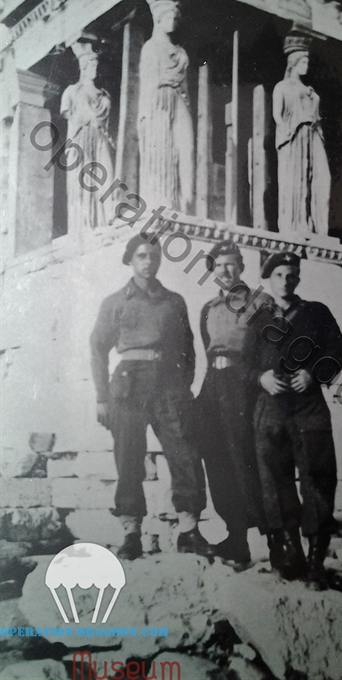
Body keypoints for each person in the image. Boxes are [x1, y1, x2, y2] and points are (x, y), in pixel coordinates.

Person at [90, 235, 212, 560]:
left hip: (169, 384)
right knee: (129, 457)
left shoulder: (174, 302)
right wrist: (102, 396)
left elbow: (189, 348)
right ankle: (131, 534)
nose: (148, 262)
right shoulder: (115, 302)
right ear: (131, 260)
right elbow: (98, 348)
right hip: (128, 384)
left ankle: (189, 530)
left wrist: (183, 388)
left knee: (185, 453)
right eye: (142, 256)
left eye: (153, 256)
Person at [252, 252, 342, 589]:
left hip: (309, 407)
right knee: (276, 482)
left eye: (291, 275)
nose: (285, 281)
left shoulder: (316, 313)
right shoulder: (257, 318)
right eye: (278, 275)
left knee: (317, 479)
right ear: (269, 279)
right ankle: (292, 553)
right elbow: (243, 362)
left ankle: (316, 563)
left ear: (298, 279)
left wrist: (313, 373)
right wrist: (260, 377)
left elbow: (338, 352)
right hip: (271, 408)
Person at [196, 241, 266, 564]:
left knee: (244, 457)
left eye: (232, 264)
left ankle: (263, 537)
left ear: (242, 267)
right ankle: (233, 535)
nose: (226, 270)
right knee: (215, 456)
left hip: (243, 383)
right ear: (213, 271)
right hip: (214, 384)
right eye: (219, 265)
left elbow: (267, 350)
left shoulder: (260, 304)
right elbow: (208, 347)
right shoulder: (208, 309)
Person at [138, 0, 194, 214]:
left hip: (179, 99)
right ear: (158, 18)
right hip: (158, 101)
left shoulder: (181, 53)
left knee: (186, 148)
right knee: (161, 147)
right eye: (169, 16)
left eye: (176, 16)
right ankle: (163, 201)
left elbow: (186, 88)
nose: (174, 20)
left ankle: (186, 203)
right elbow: (147, 83)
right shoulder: (150, 48)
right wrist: (144, 117)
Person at [273, 32, 331, 235]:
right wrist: (289, 132)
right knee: (295, 181)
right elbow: (277, 116)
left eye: (307, 61)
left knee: (322, 178)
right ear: (294, 63)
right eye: (303, 61)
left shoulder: (313, 93)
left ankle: (319, 228)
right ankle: (295, 225)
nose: (306, 65)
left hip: (314, 136)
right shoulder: (282, 87)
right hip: (294, 135)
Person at [61, 39, 115, 234]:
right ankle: (86, 225)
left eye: (96, 66)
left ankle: (106, 217)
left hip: (100, 137)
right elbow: (70, 119)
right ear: (84, 67)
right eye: (92, 65)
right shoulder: (72, 92)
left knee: (105, 175)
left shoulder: (104, 96)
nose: (95, 69)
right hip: (81, 138)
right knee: (84, 182)